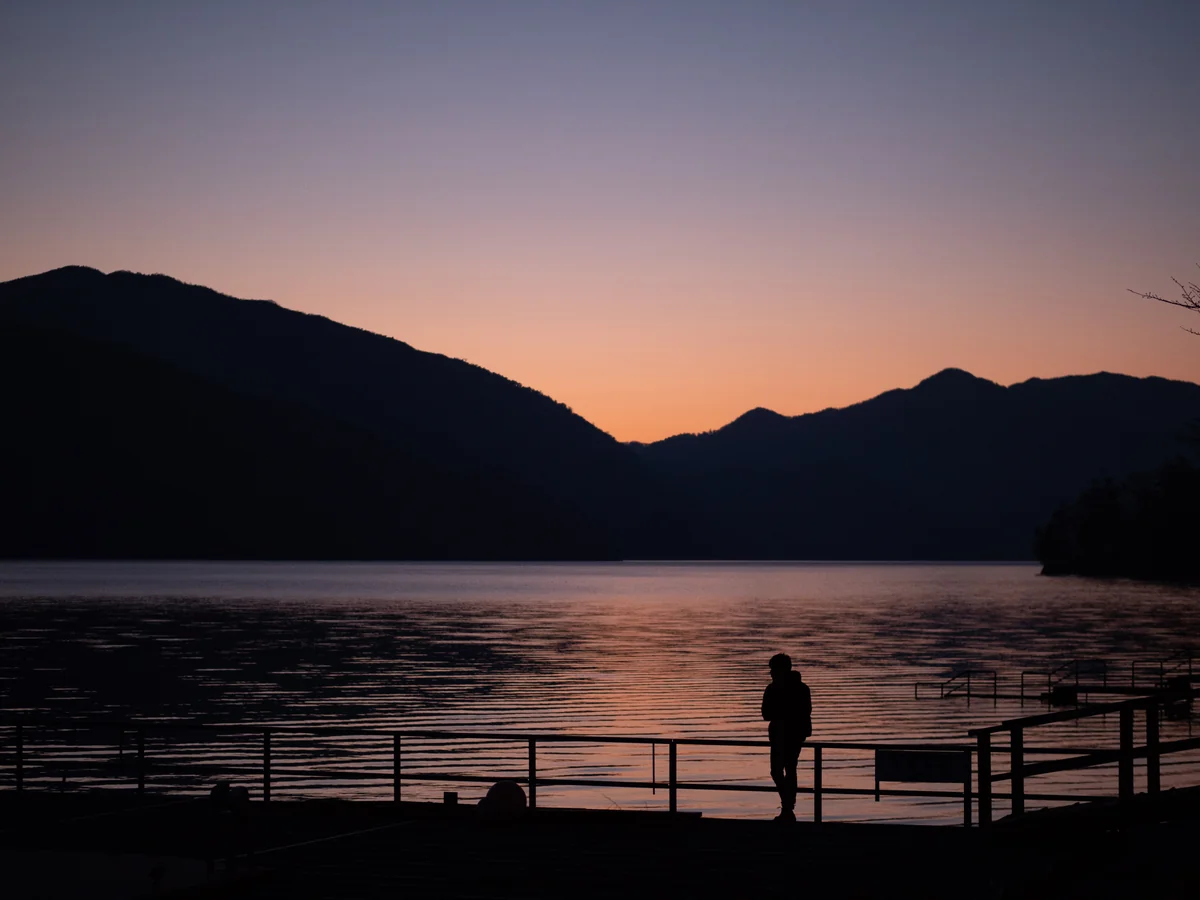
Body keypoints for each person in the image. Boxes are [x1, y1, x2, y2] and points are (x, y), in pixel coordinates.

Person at [761, 652, 812, 822]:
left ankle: (788, 807)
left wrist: (780, 713)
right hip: (796, 734)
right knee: (789, 769)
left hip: (783, 735)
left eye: (773, 669)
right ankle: (788, 807)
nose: (771, 673)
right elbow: (805, 711)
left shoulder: (773, 689)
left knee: (778, 770)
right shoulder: (802, 688)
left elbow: (766, 714)